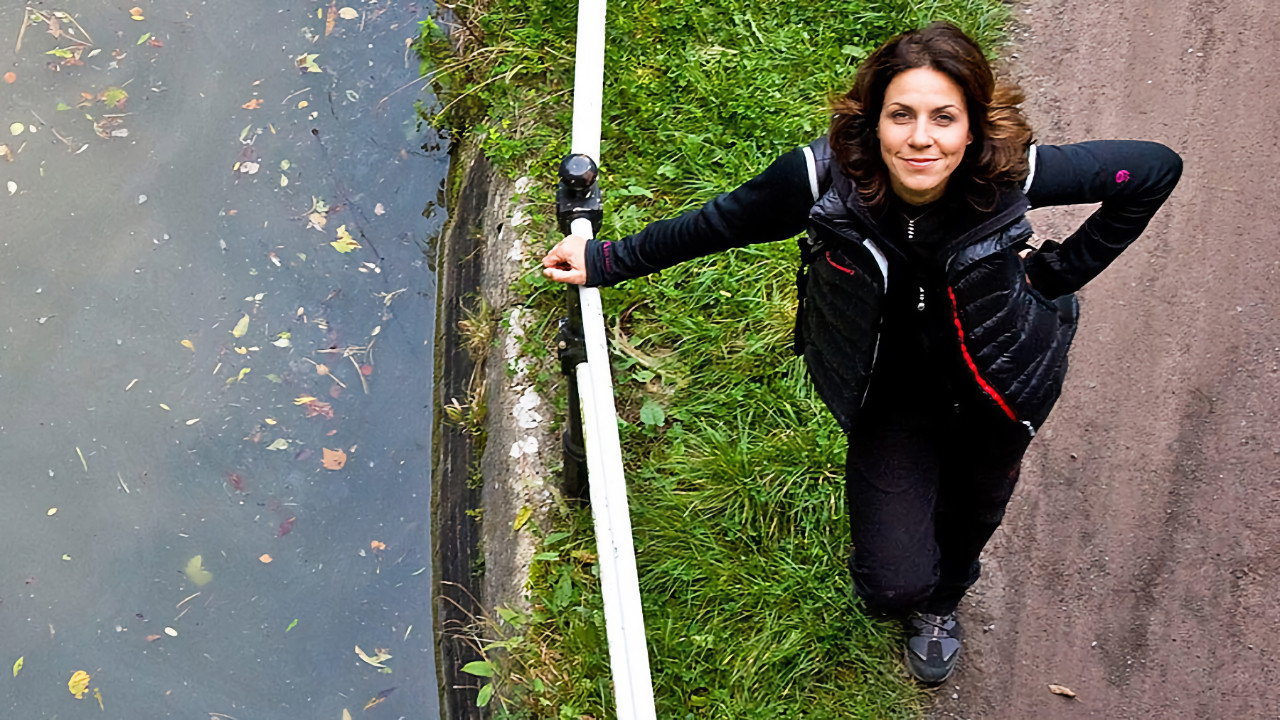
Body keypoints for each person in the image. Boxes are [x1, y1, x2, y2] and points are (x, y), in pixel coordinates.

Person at [541, 21, 1181, 685]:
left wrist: (1053, 277)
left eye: (944, 117)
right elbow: (721, 223)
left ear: (972, 127)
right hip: (891, 397)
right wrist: (608, 259)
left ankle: (943, 604)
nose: (922, 138)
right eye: (901, 115)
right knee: (889, 587)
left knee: (974, 511)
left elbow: (1153, 170)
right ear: (874, 121)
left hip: (1001, 383)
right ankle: (914, 592)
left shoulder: (1009, 173)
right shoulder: (821, 179)